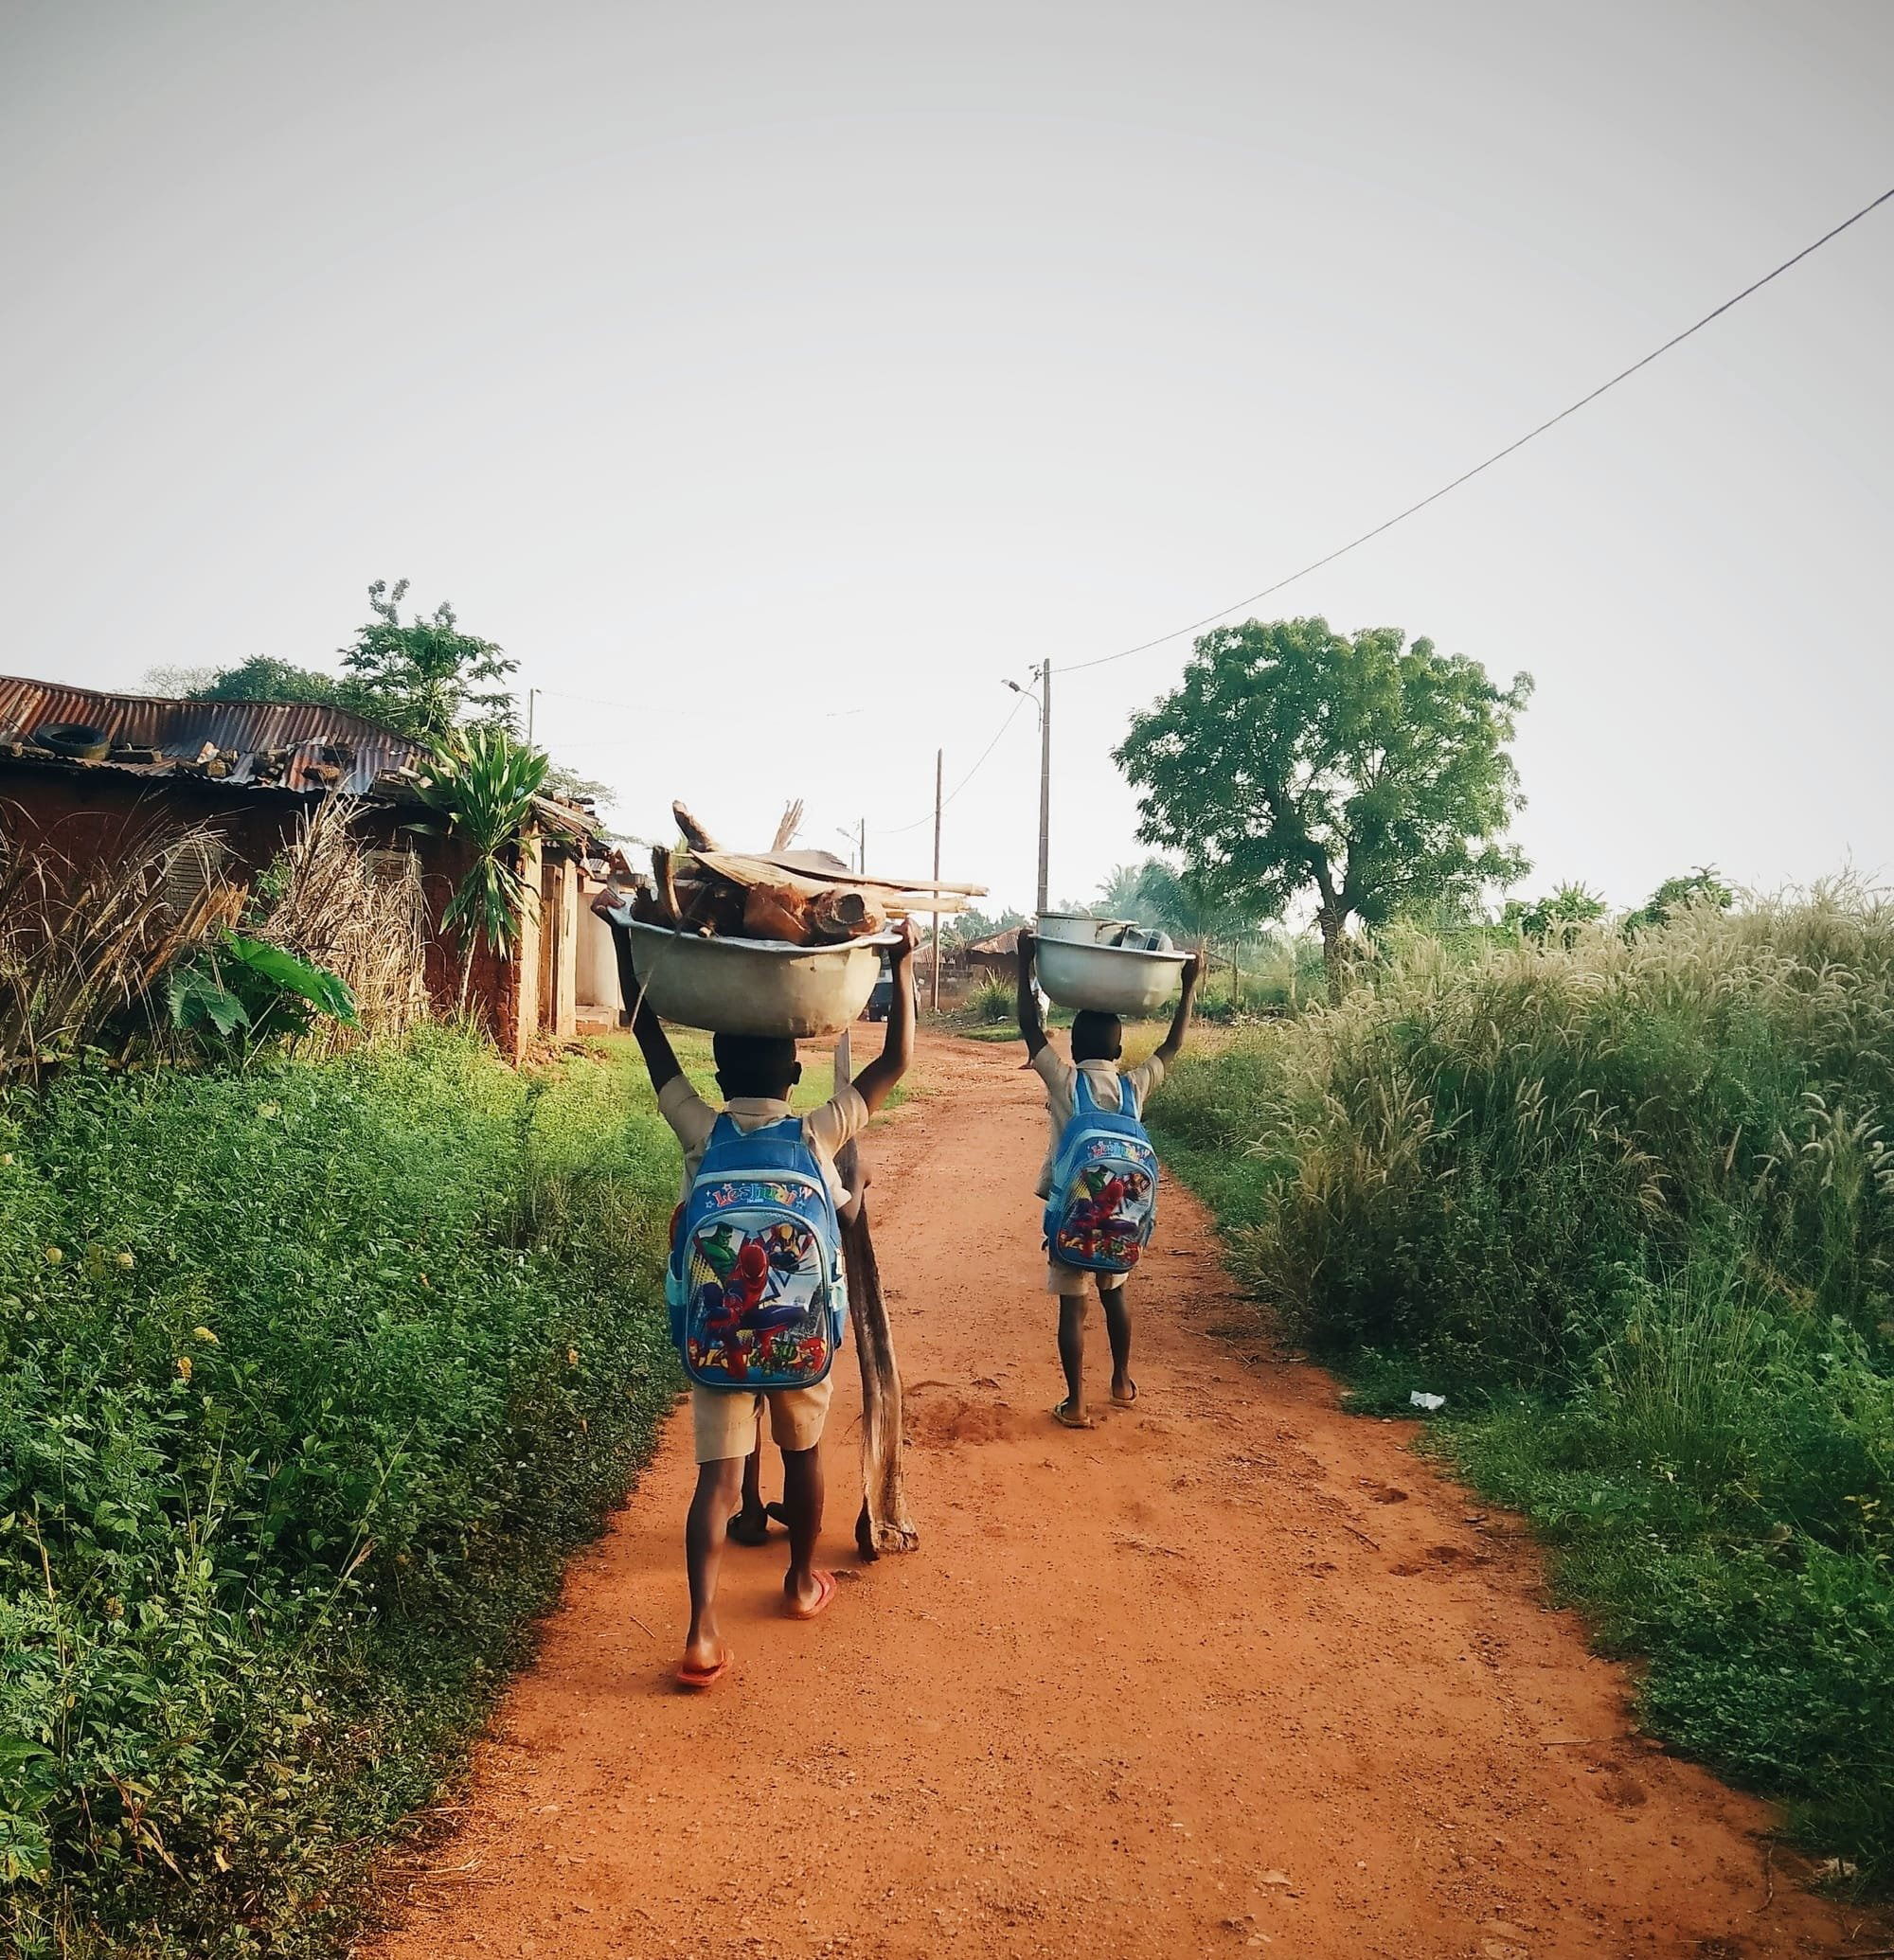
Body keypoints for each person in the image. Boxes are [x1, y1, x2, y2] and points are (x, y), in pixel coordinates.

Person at [630, 921, 918, 1689]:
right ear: (796, 1071)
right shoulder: (817, 1134)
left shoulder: (701, 1131)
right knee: (802, 1457)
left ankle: (699, 1633)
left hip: (721, 1345)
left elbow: (650, 1047)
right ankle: (796, 1584)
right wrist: (902, 965)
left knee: (715, 1487)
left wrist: (635, 955)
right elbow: (896, 1061)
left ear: (718, 1072)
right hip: (797, 1343)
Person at [1016, 928, 1201, 1430]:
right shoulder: (1132, 1087)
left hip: (1071, 1218)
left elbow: (1030, 1031)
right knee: (1114, 1294)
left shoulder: (1064, 1079)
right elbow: (1172, 1045)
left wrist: (1025, 963)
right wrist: (1187, 986)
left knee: (1071, 1309)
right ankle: (1120, 1380)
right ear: (1119, 1048)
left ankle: (1075, 1404)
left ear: (1073, 1045)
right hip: (1120, 1223)